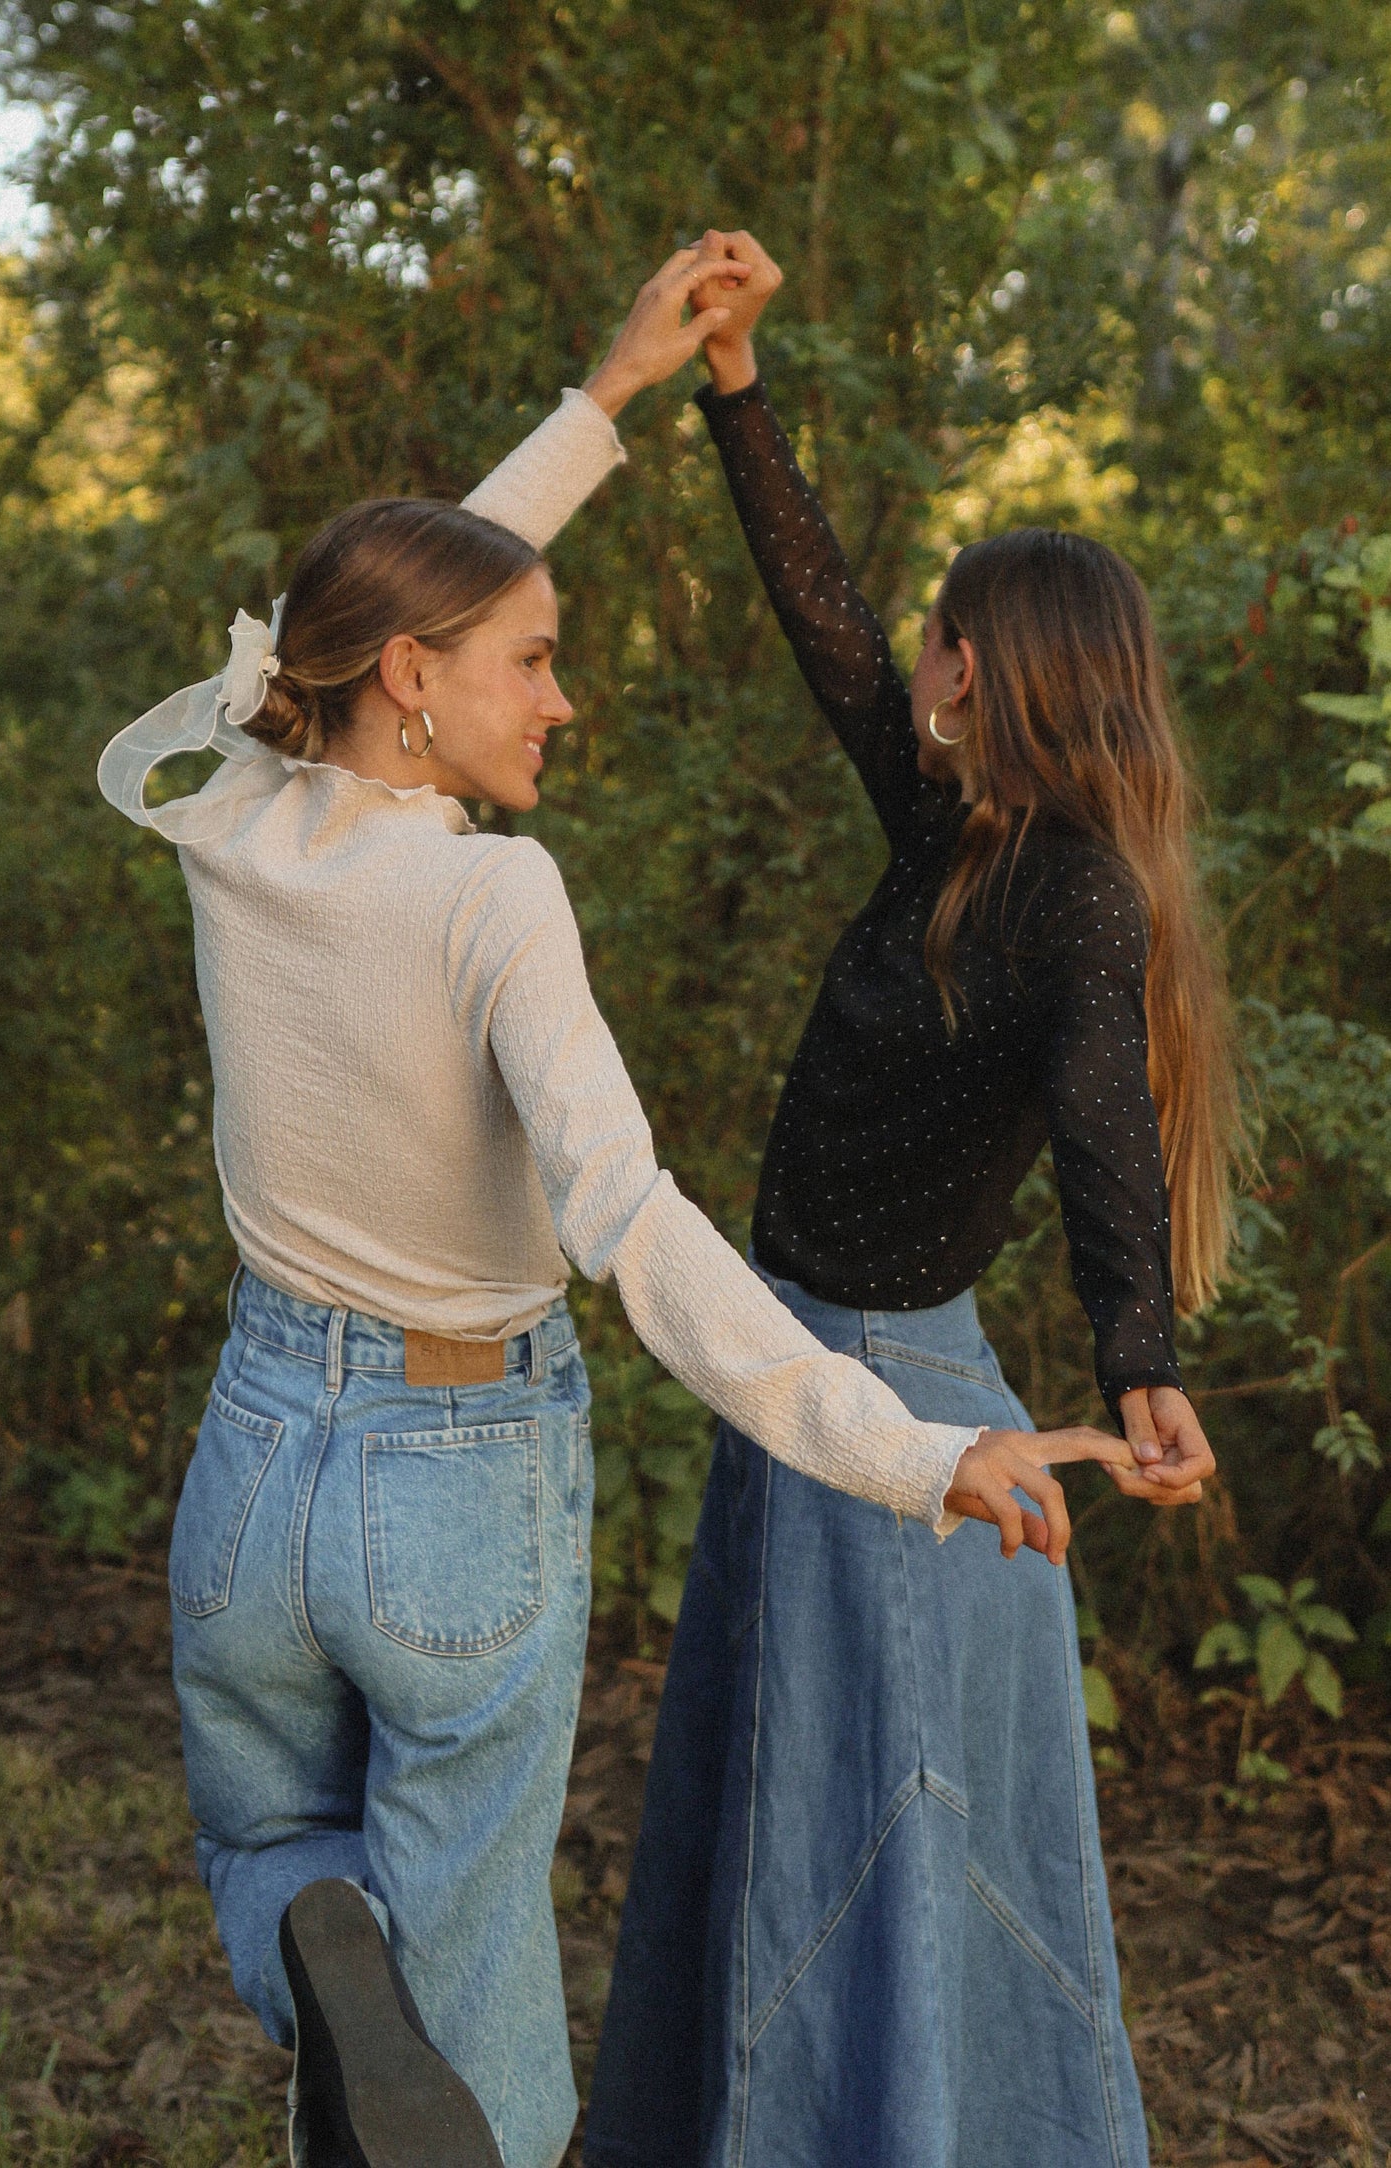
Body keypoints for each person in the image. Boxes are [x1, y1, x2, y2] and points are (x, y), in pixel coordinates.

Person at [96, 243, 1138, 2168]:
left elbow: (360, 622)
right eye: (533, 660)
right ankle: (412, 2030)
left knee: (270, 1858)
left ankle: (316, 1952)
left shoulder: (219, 813)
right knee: (469, 2041)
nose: (561, 700)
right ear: (417, 678)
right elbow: (635, 1228)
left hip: (252, 1462)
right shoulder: (496, 897)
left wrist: (609, 396)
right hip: (455, 1483)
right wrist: (913, 1453)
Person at [583, 234, 1229, 2168]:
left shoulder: (1075, 899)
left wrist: (1141, 1364)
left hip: (898, 1401)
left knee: (879, 1828)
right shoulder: (955, 835)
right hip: (803, 1381)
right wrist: (732, 385)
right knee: (793, 1812)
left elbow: (1107, 1137)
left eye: (946, 633)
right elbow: (821, 622)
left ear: (998, 667)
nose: (917, 658)